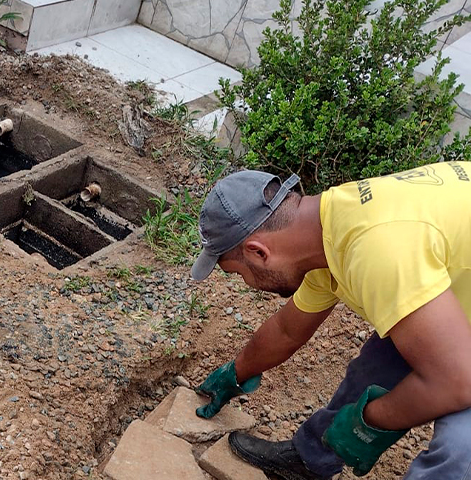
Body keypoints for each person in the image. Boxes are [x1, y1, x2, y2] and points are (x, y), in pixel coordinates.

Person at [189, 161, 471, 479]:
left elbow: (458, 382)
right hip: (458, 294)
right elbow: (286, 330)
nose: (247, 284)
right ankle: (309, 464)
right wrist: (236, 373)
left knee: (459, 455)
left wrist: (369, 423)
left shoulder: (378, 250)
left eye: (237, 273)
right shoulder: (330, 229)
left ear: (258, 252)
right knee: (378, 367)